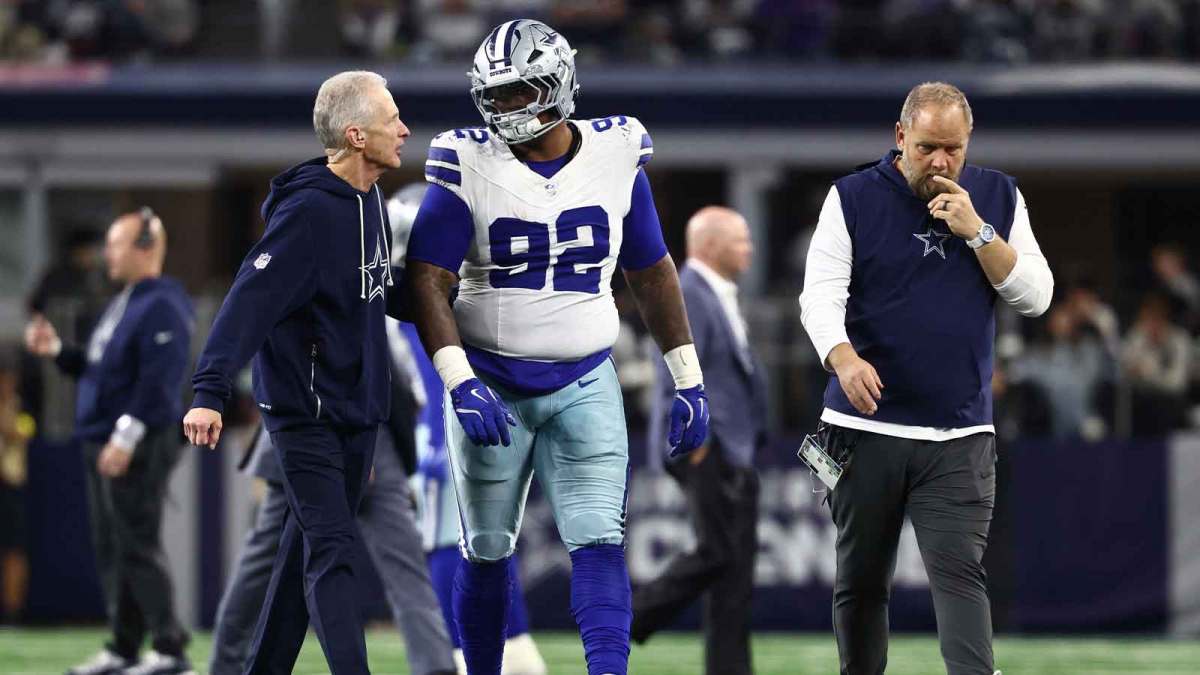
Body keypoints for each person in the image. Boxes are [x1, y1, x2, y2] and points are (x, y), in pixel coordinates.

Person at [404, 19, 710, 675]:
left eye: (520, 91)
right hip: (493, 383)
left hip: (585, 379)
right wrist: (459, 380)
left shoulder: (617, 150)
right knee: (485, 548)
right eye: (497, 94)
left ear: (557, 81)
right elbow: (427, 279)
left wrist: (688, 376)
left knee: (600, 540)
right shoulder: (466, 160)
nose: (506, 107)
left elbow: (652, 270)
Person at [799, 82, 1053, 675]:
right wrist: (843, 358)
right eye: (927, 147)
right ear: (900, 138)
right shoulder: (852, 196)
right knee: (861, 582)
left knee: (961, 577)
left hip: (959, 434)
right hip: (862, 430)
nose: (940, 162)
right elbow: (819, 298)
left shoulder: (999, 196)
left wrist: (980, 231)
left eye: (954, 150)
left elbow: (1037, 297)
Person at [183, 70, 410, 674]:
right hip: (304, 414)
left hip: (360, 413)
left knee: (297, 562)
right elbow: (247, 302)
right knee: (333, 552)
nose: (404, 130)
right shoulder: (307, 213)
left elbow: (382, 292)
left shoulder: (372, 202)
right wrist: (209, 391)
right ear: (358, 134)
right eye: (393, 119)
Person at [25, 208, 195, 675]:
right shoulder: (127, 301)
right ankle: (125, 647)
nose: (107, 254)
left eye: (117, 245)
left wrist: (126, 436)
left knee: (136, 542)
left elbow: (160, 380)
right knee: (114, 547)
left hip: (137, 438)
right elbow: (104, 373)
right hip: (106, 437)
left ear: (146, 248)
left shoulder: (163, 301)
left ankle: (170, 649)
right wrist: (58, 351)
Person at [390, 184, 548, 675]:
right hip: (442, 434)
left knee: (483, 540)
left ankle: (502, 647)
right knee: (459, 539)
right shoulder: (414, 305)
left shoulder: (433, 300)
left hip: (462, 428)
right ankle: (480, 650)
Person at [630, 206, 767, 675]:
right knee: (720, 553)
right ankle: (630, 618)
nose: (749, 248)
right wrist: (695, 442)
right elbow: (674, 368)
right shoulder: (687, 290)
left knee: (733, 573)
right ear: (709, 244)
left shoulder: (714, 292)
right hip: (709, 445)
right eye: (740, 239)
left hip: (734, 446)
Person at [208, 426, 456, 675]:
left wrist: (361, 447)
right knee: (270, 557)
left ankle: (436, 668)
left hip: (371, 428)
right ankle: (225, 665)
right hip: (301, 427)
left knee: (402, 559)